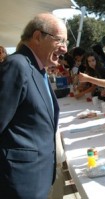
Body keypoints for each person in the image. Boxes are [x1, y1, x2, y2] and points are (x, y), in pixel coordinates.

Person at [0, 13, 67, 198]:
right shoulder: (17, 66)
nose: (65, 49)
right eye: (60, 41)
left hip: (36, 178)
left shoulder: (37, 69)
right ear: (38, 36)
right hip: (19, 183)